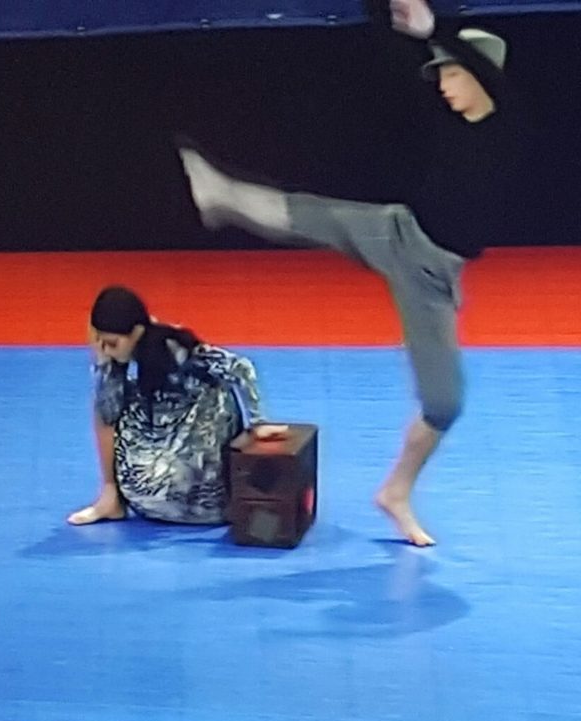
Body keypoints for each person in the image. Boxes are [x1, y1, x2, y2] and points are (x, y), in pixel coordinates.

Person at [176, 0, 525, 546]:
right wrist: (401, 25)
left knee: (444, 405)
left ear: (481, 80)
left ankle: (395, 491)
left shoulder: (503, 127)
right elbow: (410, 64)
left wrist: (436, 30)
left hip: (431, 272)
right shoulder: (447, 120)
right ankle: (222, 195)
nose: (442, 86)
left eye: (452, 74)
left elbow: (484, 78)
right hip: (401, 234)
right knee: (315, 216)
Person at [68, 285, 287, 527]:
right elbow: (240, 367)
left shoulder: (173, 349)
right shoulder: (166, 344)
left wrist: (103, 367)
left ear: (136, 332)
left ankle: (110, 494)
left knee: (108, 402)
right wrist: (257, 422)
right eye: (100, 344)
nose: (106, 351)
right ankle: (111, 496)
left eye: (111, 344)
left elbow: (239, 367)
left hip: (149, 498)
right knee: (211, 386)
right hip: (202, 501)